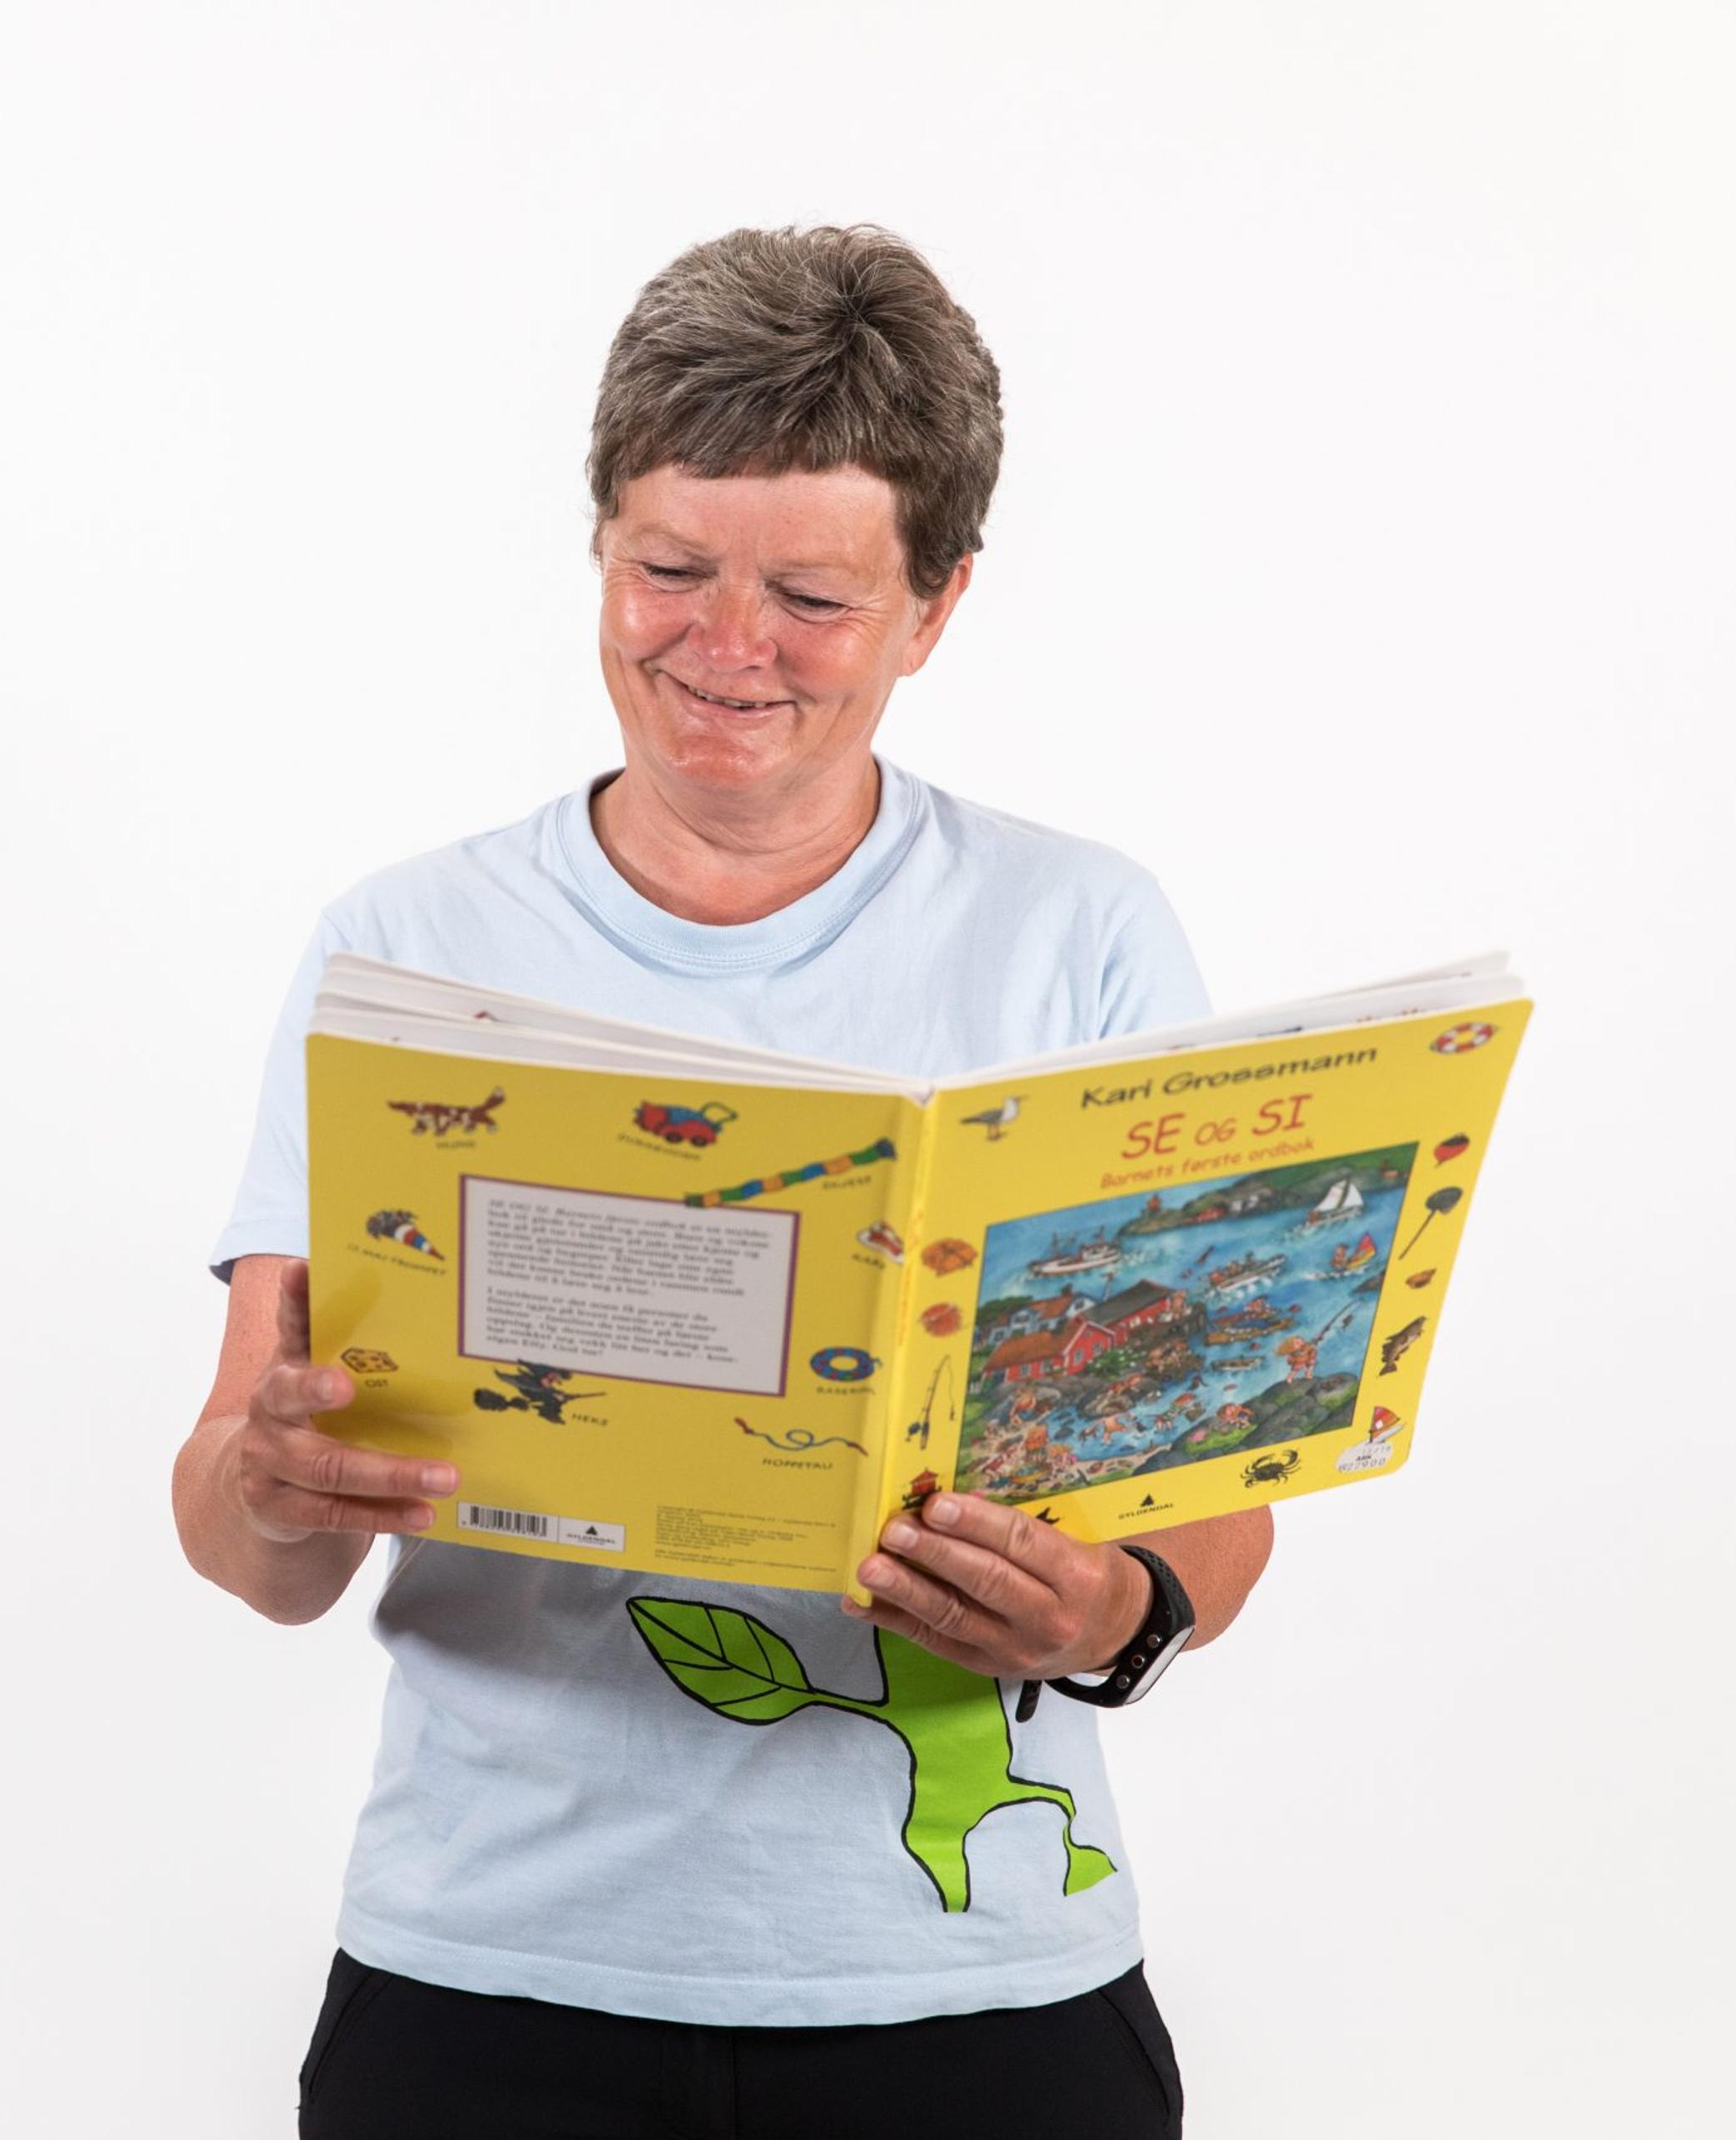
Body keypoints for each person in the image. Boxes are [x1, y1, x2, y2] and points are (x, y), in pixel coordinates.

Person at [174, 225, 1273, 2139]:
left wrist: (1106, 1610)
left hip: (969, 1986)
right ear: (599, 541)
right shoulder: (407, 948)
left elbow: (1219, 1505)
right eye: (668, 569)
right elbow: (249, 1537)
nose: (725, 647)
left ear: (936, 605)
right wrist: (271, 1488)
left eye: (814, 596)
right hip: (490, 1981)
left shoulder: (1078, 936)